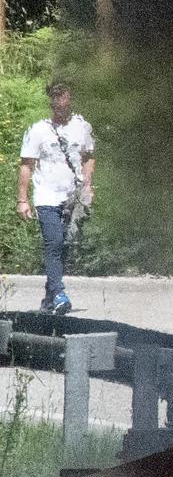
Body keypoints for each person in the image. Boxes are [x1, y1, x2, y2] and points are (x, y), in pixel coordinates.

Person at [16, 79, 94, 315]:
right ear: (51, 101)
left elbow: (89, 156)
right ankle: (59, 293)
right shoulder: (38, 130)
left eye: (64, 98)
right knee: (55, 243)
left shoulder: (82, 127)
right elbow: (26, 165)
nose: (60, 103)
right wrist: (22, 199)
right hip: (46, 196)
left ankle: (50, 298)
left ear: (71, 100)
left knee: (66, 246)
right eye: (55, 99)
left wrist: (87, 185)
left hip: (73, 198)